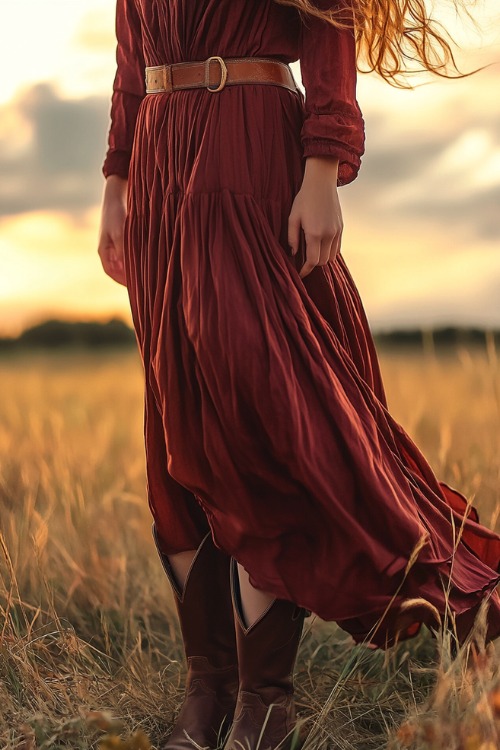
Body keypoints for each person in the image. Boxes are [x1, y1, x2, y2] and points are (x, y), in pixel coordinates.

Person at [97, 1, 500, 748]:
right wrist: (116, 181)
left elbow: (330, 17)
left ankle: (266, 705)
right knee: (176, 425)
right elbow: (130, 55)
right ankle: (207, 692)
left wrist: (322, 168)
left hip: (248, 146)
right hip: (159, 160)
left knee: (261, 422)